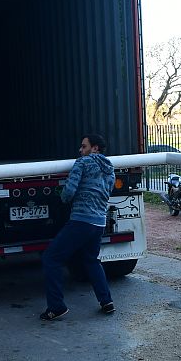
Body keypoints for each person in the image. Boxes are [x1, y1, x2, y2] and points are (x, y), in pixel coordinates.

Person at [40, 134, 116, 320]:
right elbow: (107, 192)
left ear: (95, 148)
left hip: (81, 220)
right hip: (99, 222)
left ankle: (56, 306)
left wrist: (62, 198)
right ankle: (106, 301)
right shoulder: (110, 169)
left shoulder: (82, 163)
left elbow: (69, 191)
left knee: (51, 258)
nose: (80, 150)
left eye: (83, 146)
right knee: (91, 260)